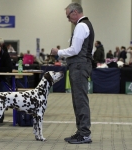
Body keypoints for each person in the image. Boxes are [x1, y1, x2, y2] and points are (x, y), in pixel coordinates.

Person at [51, 2, 94, 144]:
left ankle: (85, 133)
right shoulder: (85, 25)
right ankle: (81, 131)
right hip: (80, 65)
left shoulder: (81, 26)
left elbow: (75, 50)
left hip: (79, 66)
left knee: (80, 100)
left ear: (75, 12)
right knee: (78, 100)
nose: (68, 19)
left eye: (68, 16)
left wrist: (59, 52)